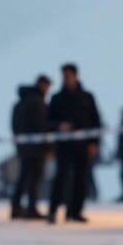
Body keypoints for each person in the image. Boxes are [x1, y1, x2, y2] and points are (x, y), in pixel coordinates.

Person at [47, 62, 102, 223]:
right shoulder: (56, 99)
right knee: (61, 177)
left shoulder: (87, 97)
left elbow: (96, 122)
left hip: (83, 145)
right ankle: (53, 210)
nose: (66, 79)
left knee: (81, 178)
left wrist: (94, 143)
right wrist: (59, 126)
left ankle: (74, 212)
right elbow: (48, 121)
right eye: (64, 76)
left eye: (69, 76)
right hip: (64, 145)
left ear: (76, 76)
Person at [10, 75, 51, 219]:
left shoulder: (19, 103)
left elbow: (14, 126)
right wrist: (48, 147)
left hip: (23, 147)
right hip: (36, 148)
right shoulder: (38, 103)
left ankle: (16, 207)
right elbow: (43, 126)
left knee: (23, 177)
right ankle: (31, 208)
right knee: (34, 178)